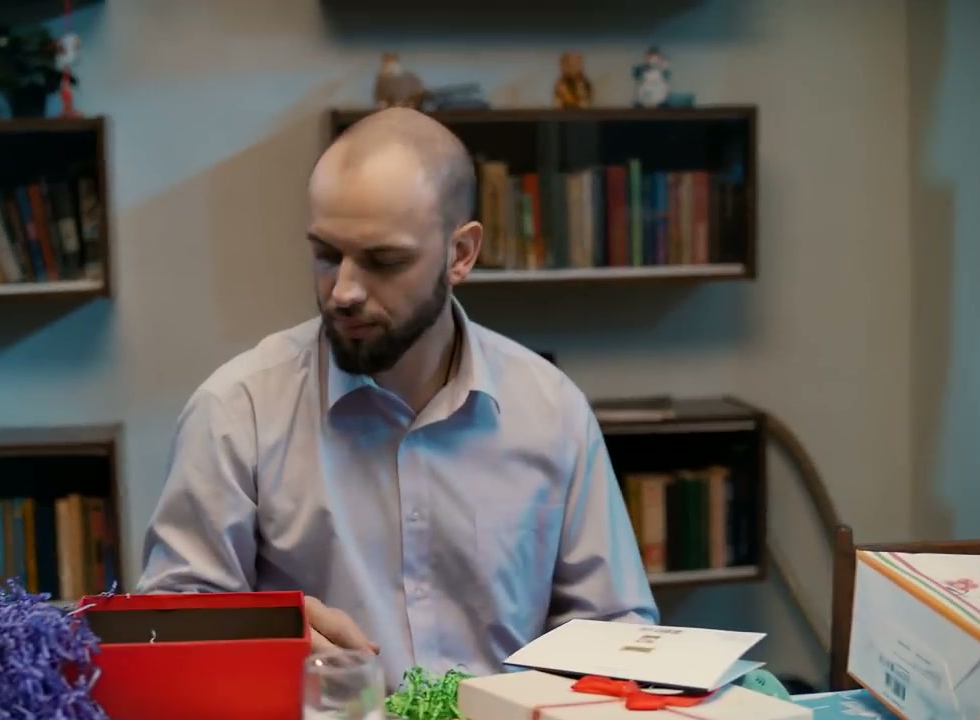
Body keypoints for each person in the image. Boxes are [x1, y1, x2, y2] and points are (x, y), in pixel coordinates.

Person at [137, 107, 658, 687]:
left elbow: (615, 635)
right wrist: (263, 634)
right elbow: (165, 641)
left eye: (383, 261)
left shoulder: (552, 410)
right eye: (326, 254)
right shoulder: (237, 412)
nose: (344, 291)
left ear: (461, 254)